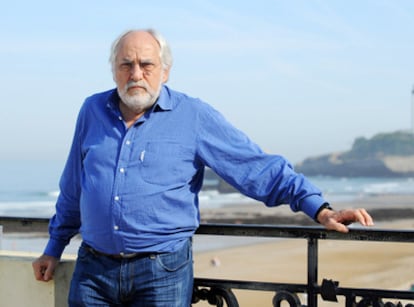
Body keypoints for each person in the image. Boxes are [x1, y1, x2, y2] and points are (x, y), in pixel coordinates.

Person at [32, 28, 374, 306]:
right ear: (113, 69)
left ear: (164, 71)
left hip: (160, 274)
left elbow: (254, 167)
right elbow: (75, 187)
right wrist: (53, 248)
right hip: (93, 271)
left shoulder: (193, 116)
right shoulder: (91, 110)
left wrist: (320, 209)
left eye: (146, 65)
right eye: (126, 65)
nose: (136, 74)